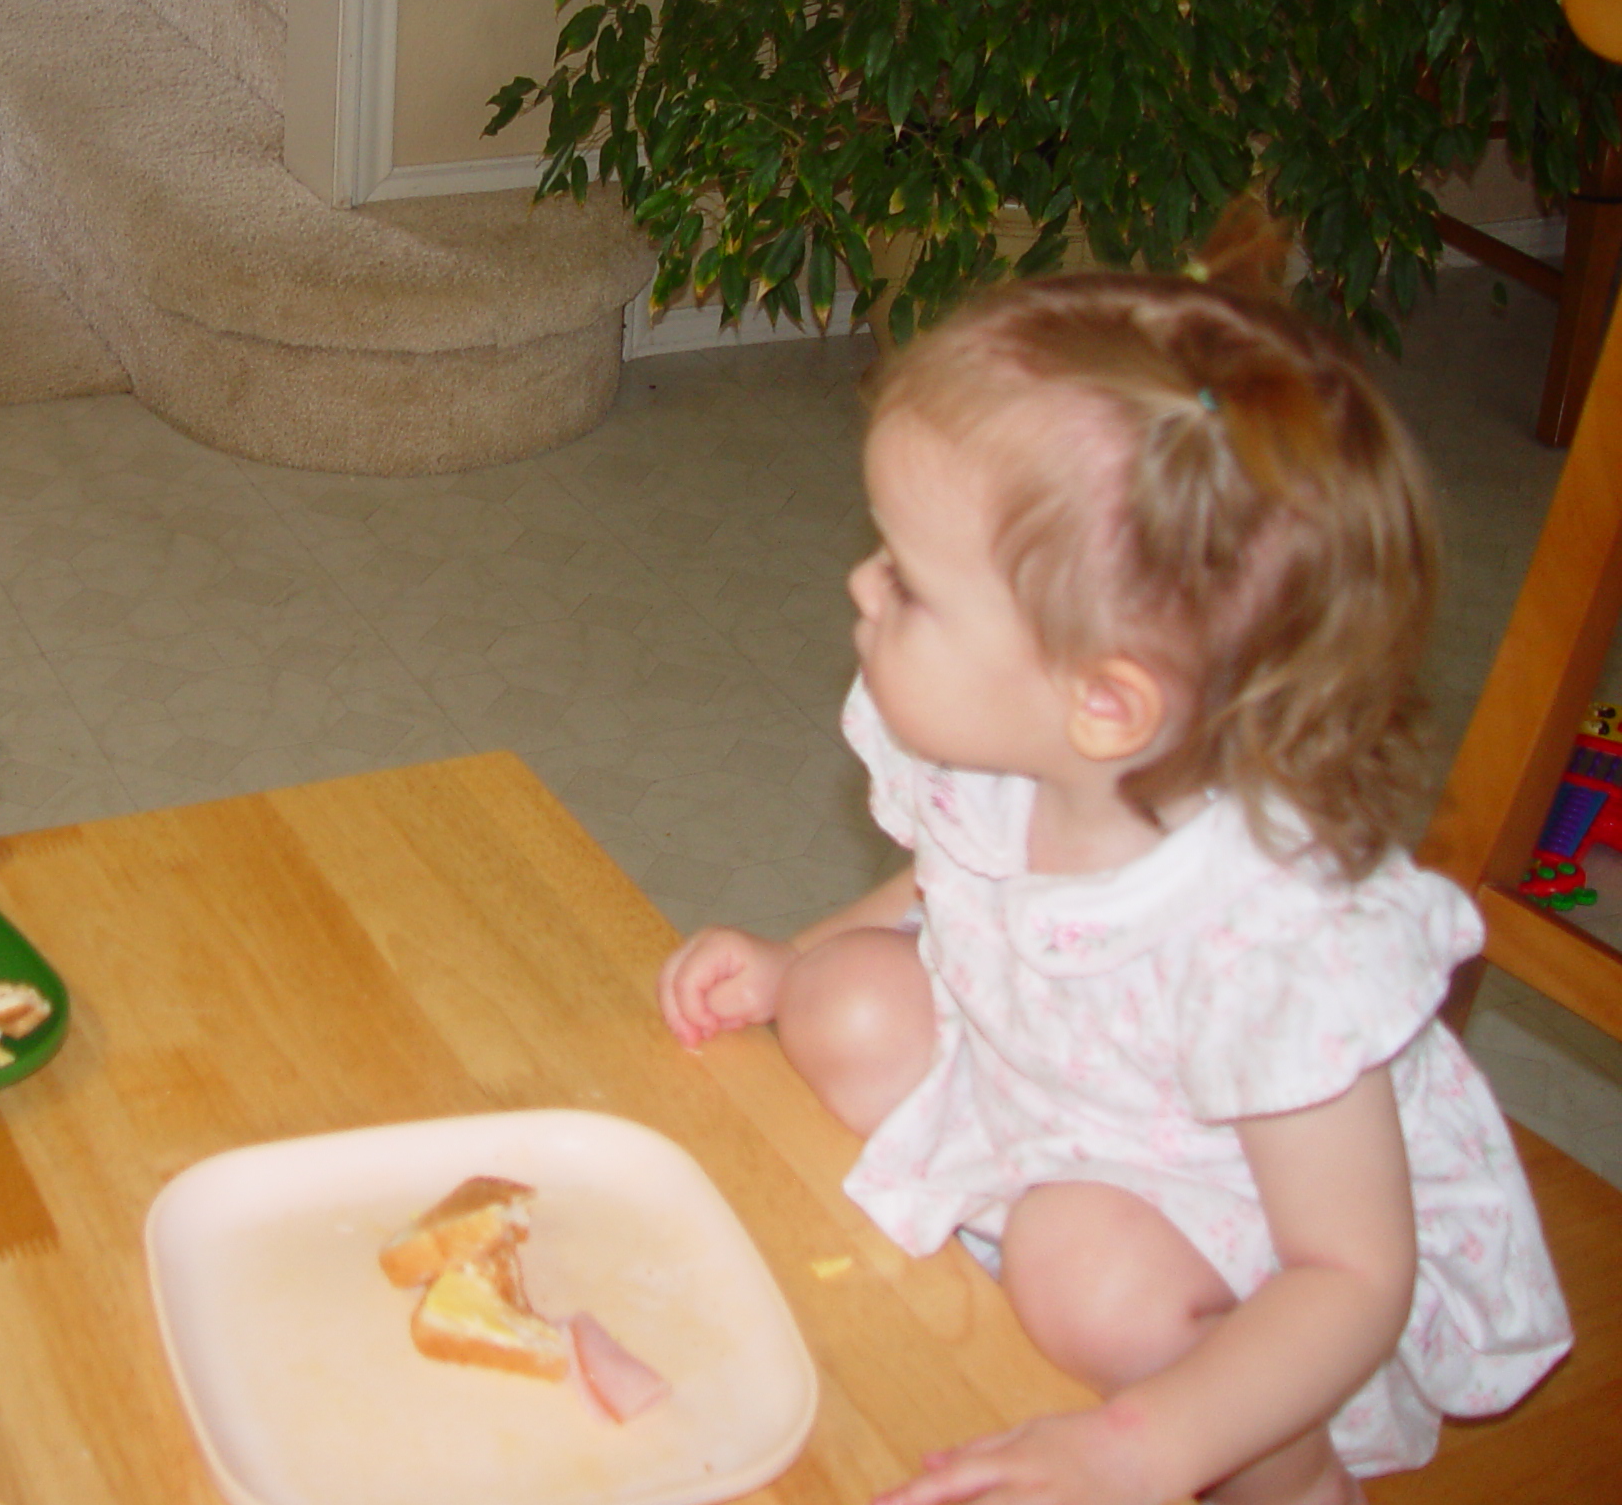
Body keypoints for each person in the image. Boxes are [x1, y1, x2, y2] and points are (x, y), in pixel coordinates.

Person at [659, 210, 1569, 1505]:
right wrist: (789, 957)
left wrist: (1145, 1449)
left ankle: (1288, 1472)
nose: (862, 588)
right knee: (849, 999)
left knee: (1079, 1260)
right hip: (1047, 1098)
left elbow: (1356, 1275)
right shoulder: (1006, 751)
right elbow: (957, 882)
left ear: (1104, 702)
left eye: (907, 581)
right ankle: (998, 1271)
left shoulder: (1272, 933)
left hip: (1233, 1248)